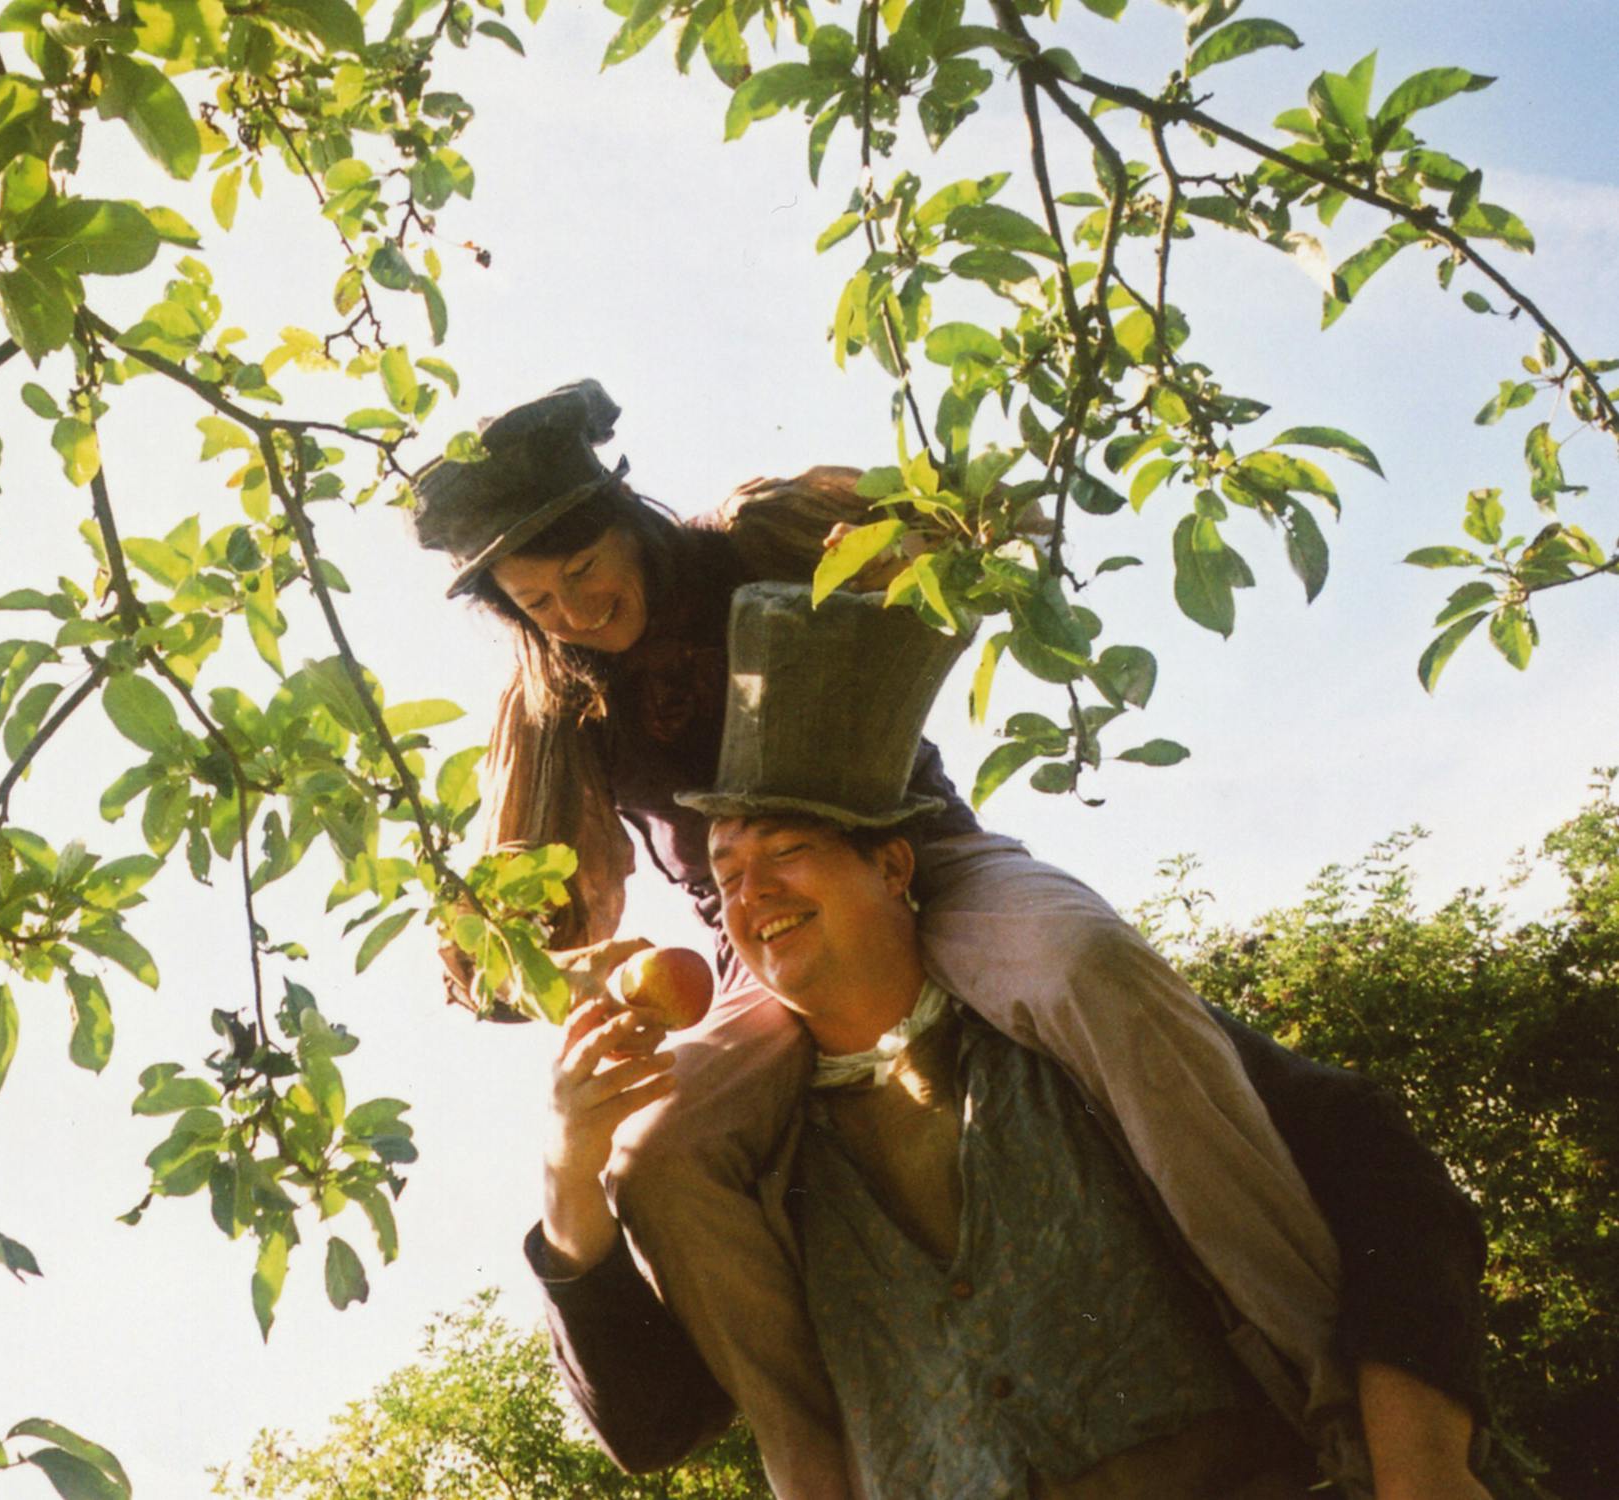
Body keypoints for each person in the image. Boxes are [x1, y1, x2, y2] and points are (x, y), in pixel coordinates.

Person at [409, 381, 1488, 1496]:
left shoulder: (751, 539)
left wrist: (931, 537)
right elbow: (524, 922)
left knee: (1086, 964)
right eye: (539, 601)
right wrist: (534, 959)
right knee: (658, 1154)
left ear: (623, 515)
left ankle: (1321, 1389)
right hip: (756, 941)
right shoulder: (551, 699)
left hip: (922, 852)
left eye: (585, 573)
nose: (575, 613)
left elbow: (975, 532)